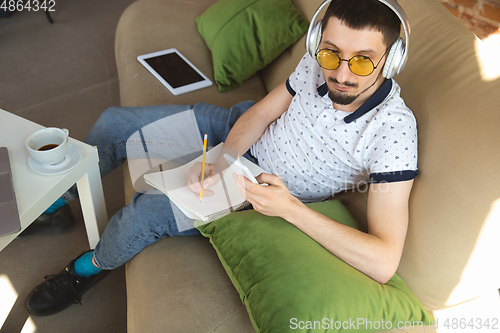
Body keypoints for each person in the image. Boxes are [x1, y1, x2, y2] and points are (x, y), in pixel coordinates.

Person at [25, 0, 418, 316]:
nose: (342, 74)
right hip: (239, 129)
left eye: (363, 60)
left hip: (262, 187)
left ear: (392, 58)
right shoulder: (318, 62)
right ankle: (59, 204)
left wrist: (290, 209)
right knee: (115, 123)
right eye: (332, 54)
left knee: (144, 213)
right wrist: (223, 158)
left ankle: (86, 269)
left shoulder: (393, 132)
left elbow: (384, 261)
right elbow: (264, 112)